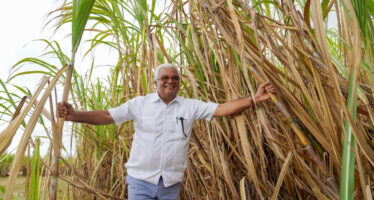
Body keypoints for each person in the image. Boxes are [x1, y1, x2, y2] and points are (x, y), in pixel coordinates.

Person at [58, 63, 275, 200]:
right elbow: (108, 116)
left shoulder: (190, 106)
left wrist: (254, 99)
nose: (170, 81)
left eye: (174, 78)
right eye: (165, 78)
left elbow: (221, 109)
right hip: (140, 182)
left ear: (179, 83)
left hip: (170, 185)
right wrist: (75, 115)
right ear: (156, 82)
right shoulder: (140, 104)